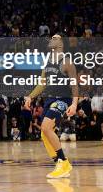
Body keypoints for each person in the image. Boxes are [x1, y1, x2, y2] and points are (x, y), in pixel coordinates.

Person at [28, 34, 78, 178]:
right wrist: (30, 96)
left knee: (45, 127)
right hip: (50, 99)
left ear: (61, 43)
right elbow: (42, 83)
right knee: (45, 134)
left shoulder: (67, 62)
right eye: (51, 37)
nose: (52, 39)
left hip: (63, 99)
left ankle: (63, 161)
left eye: (55, 38)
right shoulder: (47, 62)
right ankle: (60, 163)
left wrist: (74, 104)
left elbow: (75, 85)